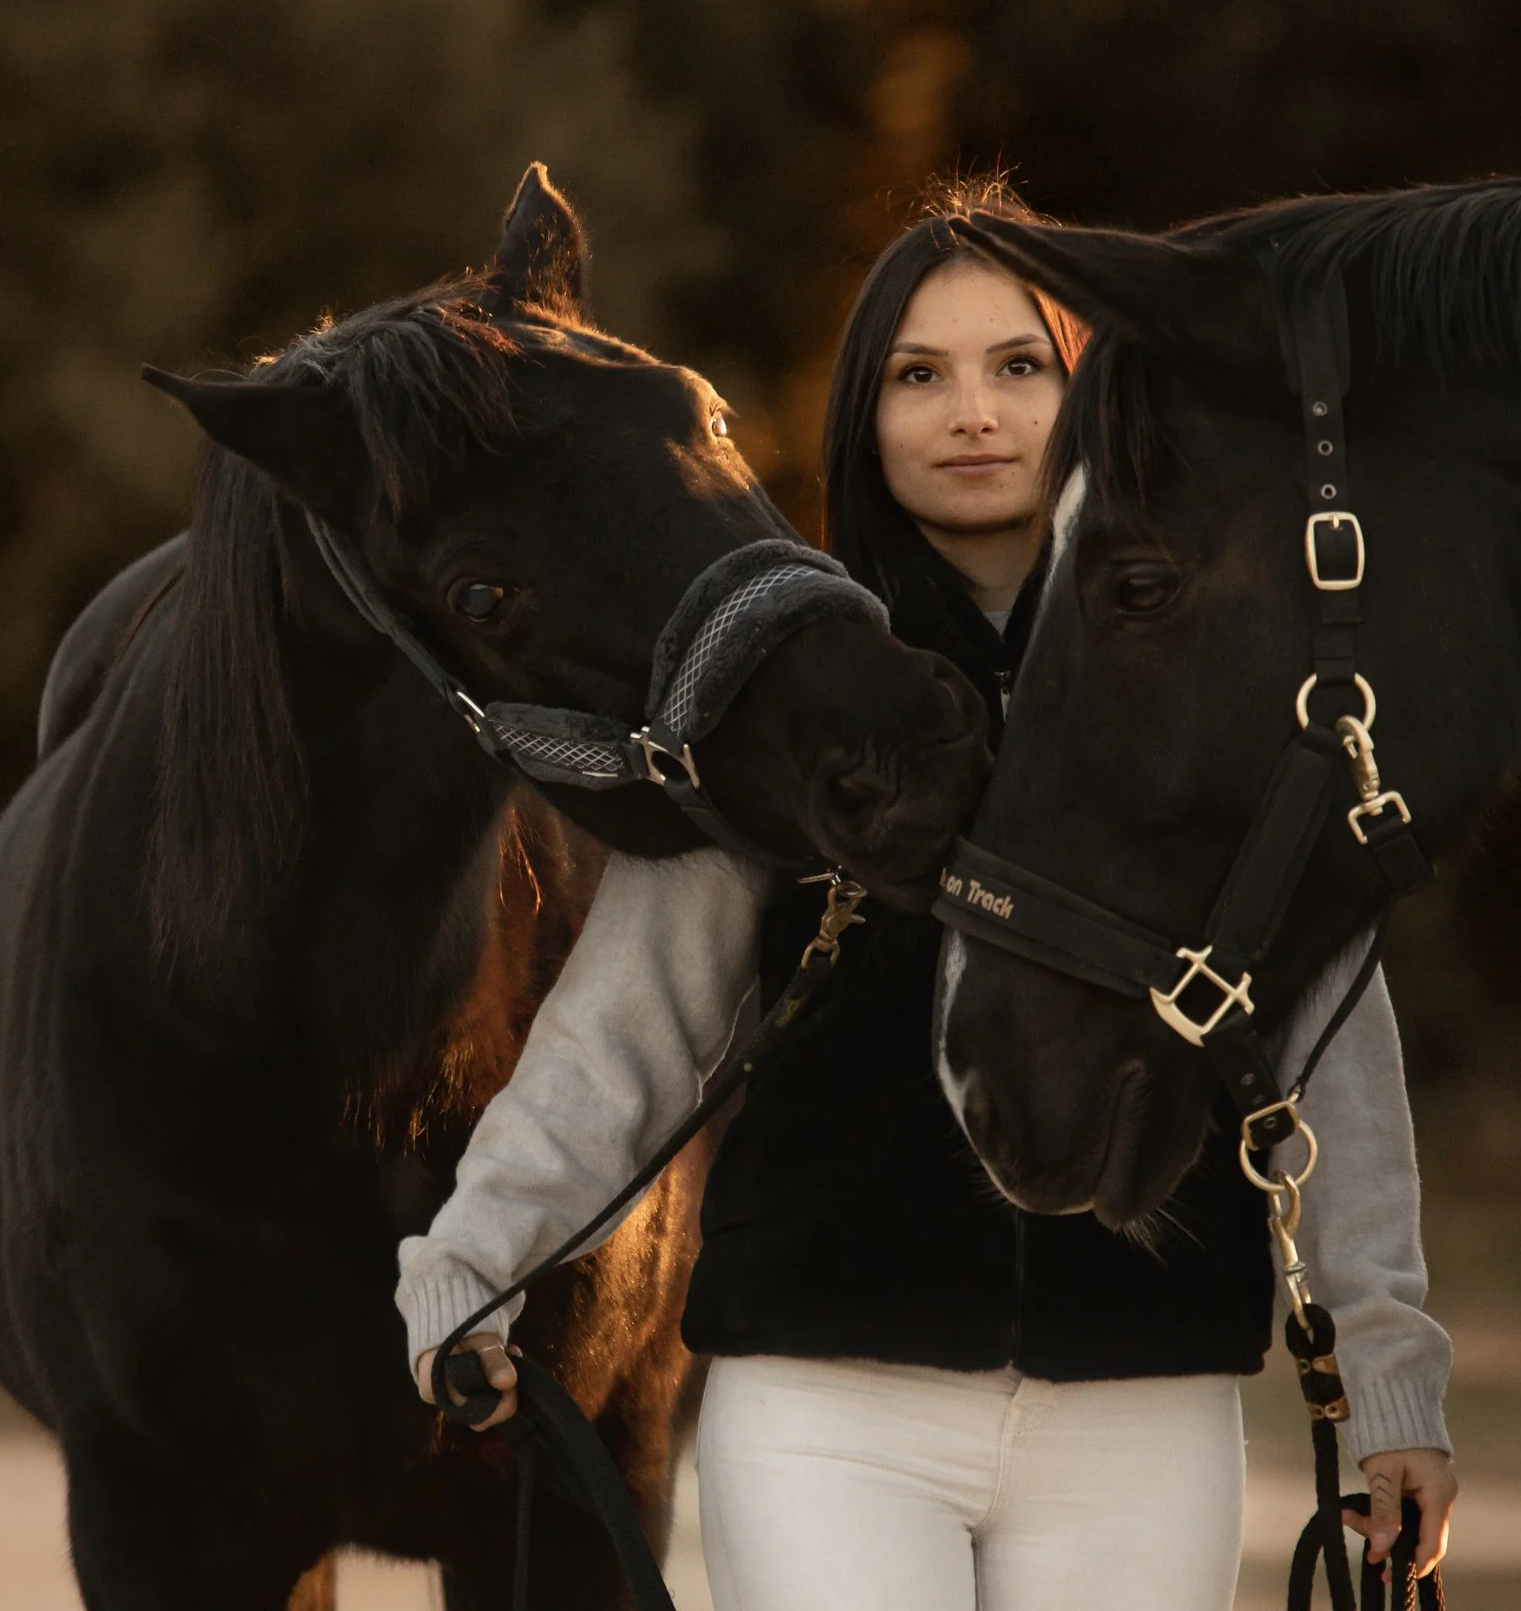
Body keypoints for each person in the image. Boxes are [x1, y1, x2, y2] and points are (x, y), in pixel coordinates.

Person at [396, 180, 1456, 1611]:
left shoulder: (1221, 701)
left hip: (1144, 1403)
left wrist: (1392, 1377)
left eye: (1020, 366)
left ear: (1090, 396)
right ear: (863, 414)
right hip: (827, 1406)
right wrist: (471, 1256)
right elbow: (630, 1030)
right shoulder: (771, 697)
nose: (973, 412)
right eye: (918, 374)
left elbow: (1333, 1044)